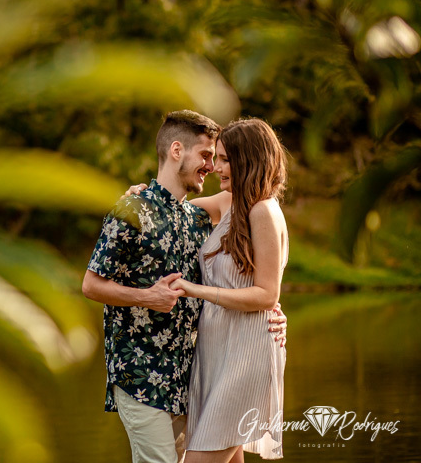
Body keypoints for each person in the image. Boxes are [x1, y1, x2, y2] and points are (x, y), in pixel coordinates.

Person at [81, 111, 286, 463]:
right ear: (177, 150)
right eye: (208, 156)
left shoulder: (206, 216)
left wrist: (270, 311)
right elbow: (90, 284)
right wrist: (146, 296)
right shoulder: (138, 209)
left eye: (221, 158)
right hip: (142, 373)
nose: (213, 166)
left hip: (194, 371)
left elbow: (264, 282)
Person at [168, 118, 289, 462]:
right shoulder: (228, 202)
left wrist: (196, 290)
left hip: (246, 352)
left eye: (223, 159)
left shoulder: (264, 211)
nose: (214, 166)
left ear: (247, 160)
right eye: (215, 158)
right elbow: (169, 213)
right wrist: (139, 194)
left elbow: (267, 295)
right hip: (216, 350)